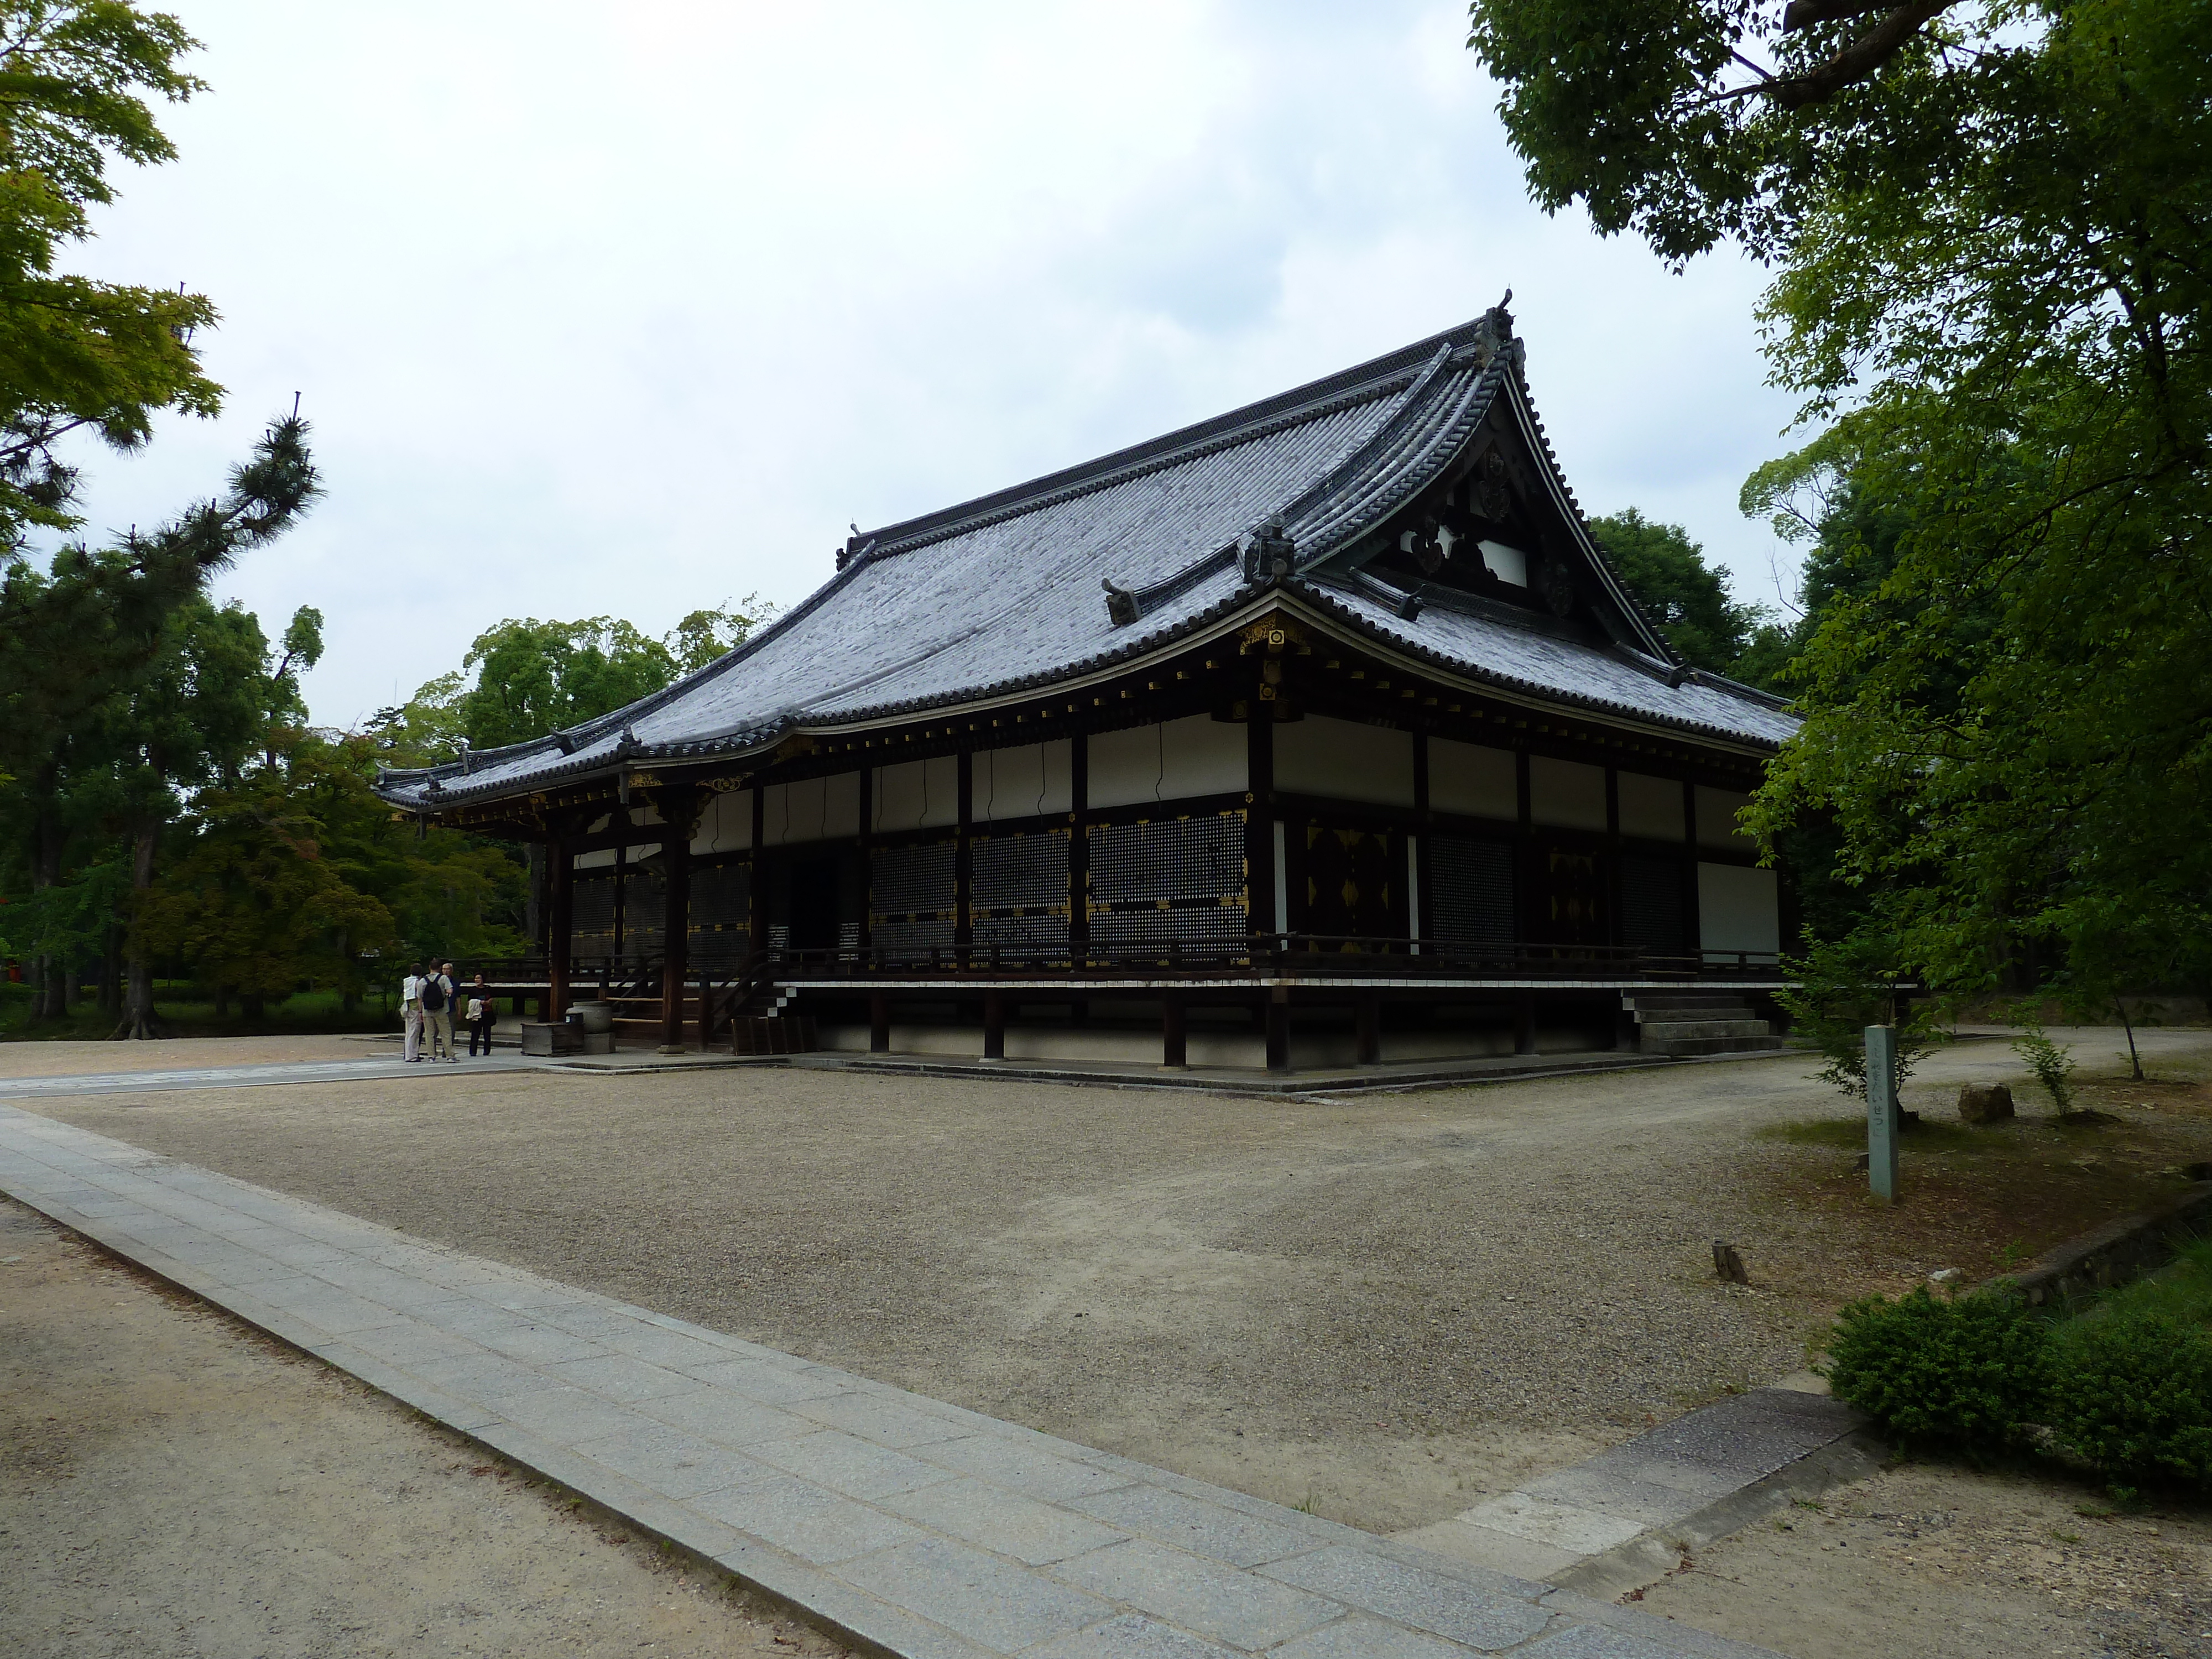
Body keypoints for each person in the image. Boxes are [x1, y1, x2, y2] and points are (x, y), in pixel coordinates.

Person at [421, 962, 455, 1062]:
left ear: (429, 967)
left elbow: (419, 997)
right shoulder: (443, 978)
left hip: (427, 1010)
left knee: (429, 1034)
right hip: (442, 1009)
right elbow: (450, 991)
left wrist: (420, 1011)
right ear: (440, 968)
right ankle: (450, 1056)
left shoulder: (423, 980)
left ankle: (431, 1056)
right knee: (446, 1033)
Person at [465, 972, 496, 1057]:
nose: (477, 980)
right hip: (477, 1013)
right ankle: (473, 1051)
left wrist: (489, 1002)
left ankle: (487, 1051)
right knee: (475, 1032)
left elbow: (492, 998)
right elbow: (469, 1002)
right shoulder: (472, 990)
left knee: (487, 1032)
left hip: (487, 1012)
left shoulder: (488, 988)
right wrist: (480, 1002)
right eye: (476, 978)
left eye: (479, 978)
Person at [401, 961, 425, 1062]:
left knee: (409, 1032)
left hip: (407, 1007)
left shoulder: (406, 981)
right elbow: (419, 996)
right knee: (414, 1033)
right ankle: (412, 1056)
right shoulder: (418, 983)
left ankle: (409, 1053)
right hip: (415, 1008)